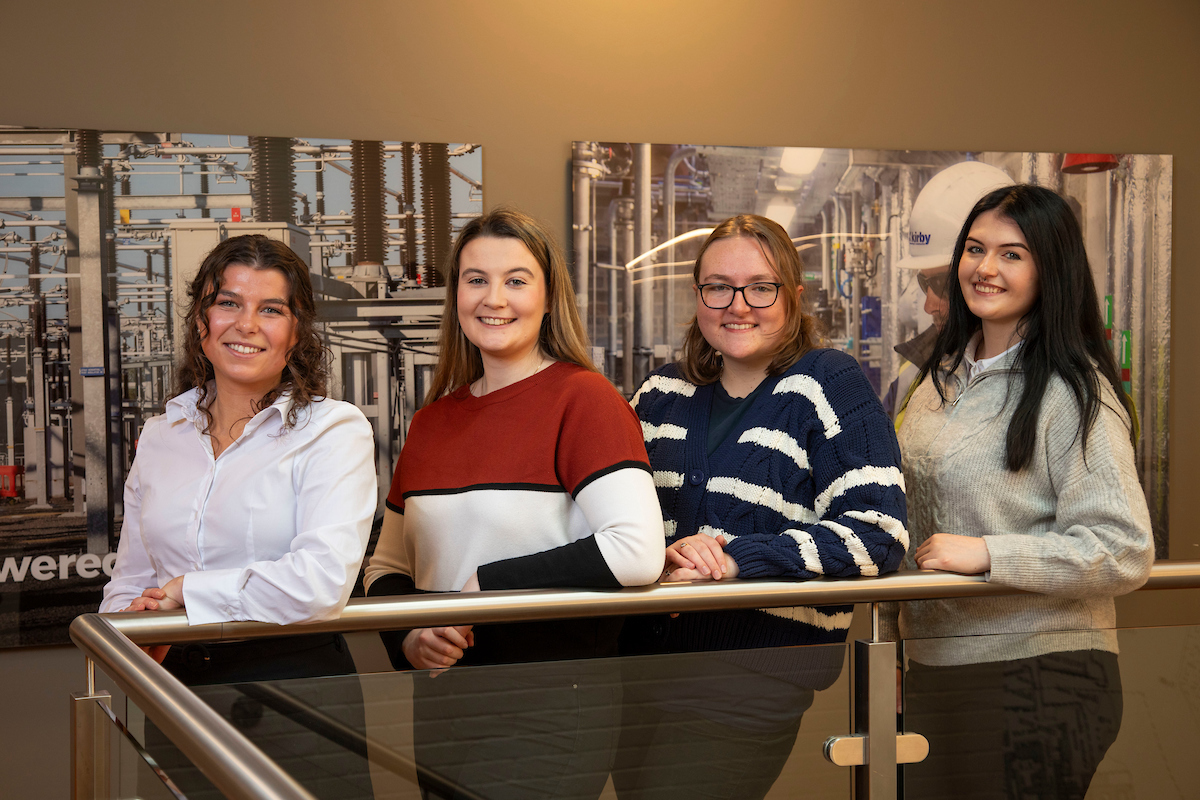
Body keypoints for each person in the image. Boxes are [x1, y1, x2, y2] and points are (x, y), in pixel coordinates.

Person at [364, 207, 665, 800]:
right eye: (475, 279)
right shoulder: (430, 423)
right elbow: (385, 568)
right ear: (456, 296)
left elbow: (636, 552)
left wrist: (486, 586)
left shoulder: (586, 400)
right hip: (444, 706)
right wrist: (410, 636)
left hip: (551, 704)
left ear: (549, 297)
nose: (493, 298)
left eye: (516, 280)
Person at [612, 214, 908, 800]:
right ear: (698, 296)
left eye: (760, 287)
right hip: (635, 673)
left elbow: (879, 533)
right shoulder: (660, 393)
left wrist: (736, 558)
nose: (737, 304)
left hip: (747, 680)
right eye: (718, 286)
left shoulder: (826, 382)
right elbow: (613, 517)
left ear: (793, 297)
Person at [891, 185, 1154, 799]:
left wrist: (990, 554)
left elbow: (1123, 547)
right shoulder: (939, 377)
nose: (985, 268)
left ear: (1050, 268)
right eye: (975, 249)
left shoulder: (1072, 390)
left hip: (1041, 673)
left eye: (1012, 254)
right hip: (938, 666)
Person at [101, 234, 378, 798]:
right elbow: (131, 576)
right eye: (228, 303)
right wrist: (121, 631)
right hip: (177, 689)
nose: (245, 324)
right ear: (201, 322)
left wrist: (189, 592)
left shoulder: (333, 430)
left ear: (295, 332)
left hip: (299, 692)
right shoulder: (161, 436)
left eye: (270, 309)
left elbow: (321, 581)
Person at [883, 160, 1013, 422]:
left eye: (942, 284)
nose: (928, 305)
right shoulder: (915, 375)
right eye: (924, 282)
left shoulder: (1065, 397)